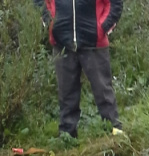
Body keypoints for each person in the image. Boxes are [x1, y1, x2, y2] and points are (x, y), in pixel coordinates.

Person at [34, 0, 124, 138]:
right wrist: (50, 22)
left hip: (94, 39)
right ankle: (67, 136)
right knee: (66, 92)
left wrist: (103, 26)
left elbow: (115, 3)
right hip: (62, 40)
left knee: (103, 89)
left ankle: (114, 131)